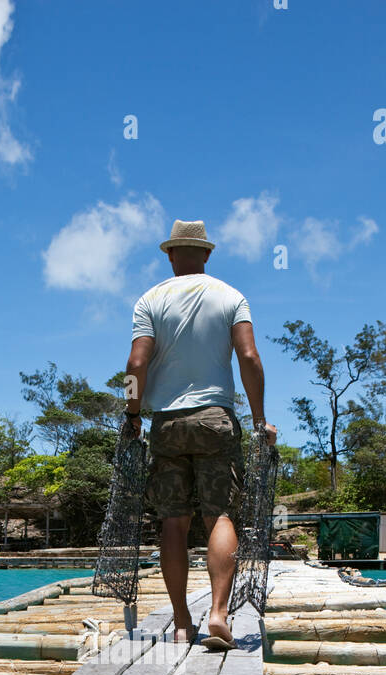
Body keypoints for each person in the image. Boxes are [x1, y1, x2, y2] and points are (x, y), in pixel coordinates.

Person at [124, 218, 276, 647]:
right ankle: (218, 613)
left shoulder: (149, 300)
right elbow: (249, 356)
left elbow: (136, 365)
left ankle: (179, 623)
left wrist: (133, 413)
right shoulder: (232, 297)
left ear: (171, 254)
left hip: (166, 425)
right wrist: (259, 418)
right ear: (207, 254)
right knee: (221, 516)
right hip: (216, 420)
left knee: (173, 522)